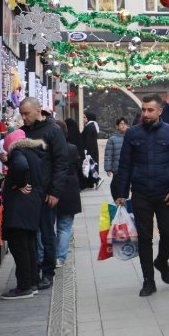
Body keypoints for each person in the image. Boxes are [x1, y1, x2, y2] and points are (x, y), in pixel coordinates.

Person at [114, 94, 169, 297]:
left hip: (166, 193)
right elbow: (125, 164)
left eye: (150, 110)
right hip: (141, 193)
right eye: (144, 110)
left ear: (159, 111)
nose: (145, 113)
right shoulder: (132, 134)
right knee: (145, 238)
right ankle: (148, 280)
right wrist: (121, 192)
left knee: (168, 234)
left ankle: (162, 261)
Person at [19, 97, 68, 290]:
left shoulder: (53, 130)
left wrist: (55, 191)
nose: (23, 117)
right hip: (28, 192)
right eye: (21, 114)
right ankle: (33, 271)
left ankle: (48, 272)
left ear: (38, 110)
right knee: (30, 234)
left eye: (26, 113)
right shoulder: (24, 131)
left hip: (46, 192)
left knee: (47, 234)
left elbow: (61, 163)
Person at [0, 130, 45, 299]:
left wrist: (18, 184)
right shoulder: (34, 152)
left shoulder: (18, 153)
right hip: (32, 205)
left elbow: (20, 166)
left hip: (19, 207)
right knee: (29, 246)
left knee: (20, 247)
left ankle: (24, 286)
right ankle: (32, 282)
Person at [54, 120, 83, 267]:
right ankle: (60, 257)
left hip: (53, 191)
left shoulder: (49, 149)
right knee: (65, 227)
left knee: (49, 226)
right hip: (70, 190)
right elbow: (78, 166)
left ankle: (51, 255)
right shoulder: (72, 148)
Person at [104, 117, 128, 200]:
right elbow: (108, 154)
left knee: (125, 188)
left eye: (125, 124)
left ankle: (124, 202)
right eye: (122, 124)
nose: (124, 125)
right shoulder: (112, 139)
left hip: (128, 168)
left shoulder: (130, 137)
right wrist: (108, 168)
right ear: (117, 126)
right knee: (116, 186)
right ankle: (117, 200)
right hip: (117, 168)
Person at [81, 110, 101, 190]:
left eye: (84, 117)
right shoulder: (93, 125)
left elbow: (87, 140)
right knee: (92, 165)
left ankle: (97, 180)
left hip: (90, 150)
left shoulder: (90, 126)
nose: (83, 119)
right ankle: (94, 181)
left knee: (91, 166)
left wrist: (85, 150)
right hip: (93, 149)